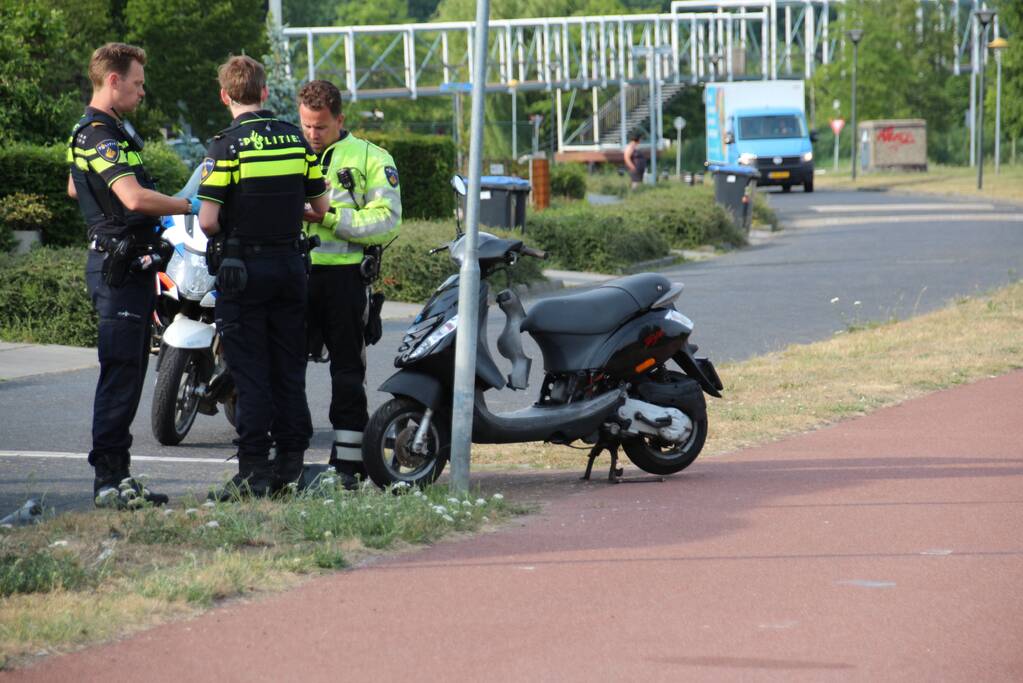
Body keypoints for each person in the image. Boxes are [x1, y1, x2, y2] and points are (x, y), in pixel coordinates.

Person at [67, 43, 200, 508]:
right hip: (118, 269)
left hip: (129, 266)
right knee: (122, 374)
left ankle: (119, 477)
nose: (143, 91)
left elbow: (74, 184)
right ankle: (108, 481)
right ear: (114, 80)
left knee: (129, 372)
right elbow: (135, 198)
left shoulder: (108, 132)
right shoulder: (99, 134)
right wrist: (188, 204)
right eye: (138, 83)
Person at [197, 56, 329, 499]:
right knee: (289, 369)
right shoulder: (296, 140)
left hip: (244, 273)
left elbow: (208, 222)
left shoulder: (226, 146)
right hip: (291, 268)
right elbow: (321, 208)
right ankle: (292, 466)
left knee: (250, 372)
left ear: (223, 96)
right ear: (265, 92)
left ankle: (253, 471)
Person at [298, 80, 402, 489]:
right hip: (296, 274)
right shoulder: (290, 151)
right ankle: (286, 457)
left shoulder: (370, 157)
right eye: (306, 126)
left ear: (340, 119)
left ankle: (348, 465)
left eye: (320, 127)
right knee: (284, 370)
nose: (312, 135)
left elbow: (386, 219)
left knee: (346, 373)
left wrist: (327, 218)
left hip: (343, 279)